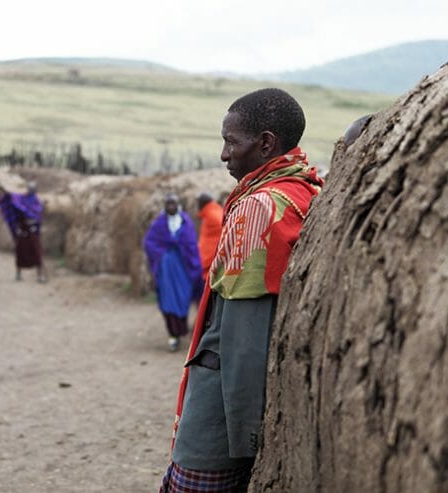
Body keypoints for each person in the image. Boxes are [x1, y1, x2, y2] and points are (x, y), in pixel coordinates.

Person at [160, 88, 324, 493]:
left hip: (222, 413)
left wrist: (248, 438)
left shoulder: (259, 208)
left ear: (265, 143)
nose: (224, 154)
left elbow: (243, 336)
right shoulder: (301, 189)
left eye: (232, 142)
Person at [143, 194, 203, 352]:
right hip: (166, 269)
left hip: (183, 267)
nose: (171, 206)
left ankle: (181, 329)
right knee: (168, 300)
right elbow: (149, 242)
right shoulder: (158, 224)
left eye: (173, 203)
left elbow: (191, 245)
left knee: (183, 298)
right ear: (165, 206)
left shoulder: (186, 223)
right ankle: (173, 335)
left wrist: (192, 261)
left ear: (178, 205)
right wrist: (162, 254)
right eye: (168, 204)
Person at [0, 177, 46, 282]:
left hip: (32, 231)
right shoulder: (22, 198)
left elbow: (37, 215)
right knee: (20, 253)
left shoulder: (37, 202)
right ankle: (18, 274)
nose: (31, 190)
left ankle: (40, 275)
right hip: (23, 231)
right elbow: (12, 198)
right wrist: (3, 189)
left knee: (37, 253)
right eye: (30, 188)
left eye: (32, 188)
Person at [196, 192, 223, 282]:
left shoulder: (211, 214)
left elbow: (220, 227)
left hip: (211, 255)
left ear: (202, 203)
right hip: (213, 254)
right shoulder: (216, 210)